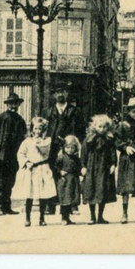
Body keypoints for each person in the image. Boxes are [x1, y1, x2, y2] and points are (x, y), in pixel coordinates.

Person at [45, 83, 85, 215]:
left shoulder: (75, 111)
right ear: (54, 95)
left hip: (70, 147)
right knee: (53, 173)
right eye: (57, 92)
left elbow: (81, 131)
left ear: (68, 94)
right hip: (53, 147)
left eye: (63, 91)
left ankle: (73, 205)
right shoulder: (49, 112)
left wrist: (76, 145)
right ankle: (51, 205)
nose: (60, 95)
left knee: (71, 174)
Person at [14, 116, 57, 226]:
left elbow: (48, 152)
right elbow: (20, 154)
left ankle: (42, 218)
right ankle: (27, 218)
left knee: (43, 194)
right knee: (30, 194)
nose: (37, 131)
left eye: (40, 129)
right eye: (35, 128)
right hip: (32, 169)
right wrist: (26, 162)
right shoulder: (27, 142)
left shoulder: (46, 141)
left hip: (43, 168)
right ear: (32, 129)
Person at [0, 91, 27, 215]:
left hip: (14, 155)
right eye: (11, 104)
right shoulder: (0, 118)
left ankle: (7, 206)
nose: (13, 106)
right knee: (1, 181)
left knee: (10, 181)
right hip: (2, 155)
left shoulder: (20, 120)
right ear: (7, 105)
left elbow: (23, 138)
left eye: (15, 104)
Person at [82, 114, 117, 225]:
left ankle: (100, 216)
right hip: (91, 166)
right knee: (91, 189)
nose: (102, 129)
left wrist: (113, 164)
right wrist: (83, 166)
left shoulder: (109, 139)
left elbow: (113, 152)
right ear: (94, 126)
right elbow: (84, 154)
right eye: (99, 127)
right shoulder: (88, 139)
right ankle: (92, 216)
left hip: (104, 167)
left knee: (102, 190)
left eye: (104, 127)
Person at [56, 135, 83, 225]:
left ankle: (68, 218)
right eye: (67, 148)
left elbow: (79, 168)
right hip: (64, 181)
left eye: (72, 148)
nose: (69, 150)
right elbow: (55, 167)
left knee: (71, 199)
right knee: (65, 199)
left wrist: (81, 173)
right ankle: (63, 217)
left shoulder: (76, 159)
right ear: (64, 148)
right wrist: (60, 172)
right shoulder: (61, 157)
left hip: (73, 180)